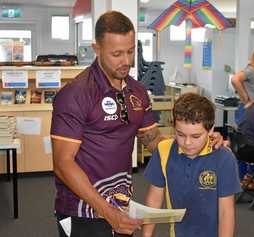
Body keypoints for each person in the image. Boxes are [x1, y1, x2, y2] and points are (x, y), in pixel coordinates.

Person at [51, 11, 224, 237]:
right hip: (83, 210)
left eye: (131, 51)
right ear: (97, 49)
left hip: (122, 207)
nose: (126, 61)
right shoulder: (75, 94)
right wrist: (108, 212)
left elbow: (155, 142)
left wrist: (199, 142)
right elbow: (63, 164)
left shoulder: (138, 91)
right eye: (117, 53)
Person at [142, 93, 241, 237]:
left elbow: (226, 212)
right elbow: (154, 199)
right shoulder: (163, 151)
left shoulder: (224, 157)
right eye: (180, 134)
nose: (187, 143)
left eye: (196, 136)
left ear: (211, 129)